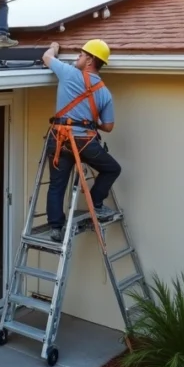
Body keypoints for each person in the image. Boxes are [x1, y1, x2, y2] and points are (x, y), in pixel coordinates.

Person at [40, 39, 122, 241]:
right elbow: (109, 127)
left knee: (57, 185)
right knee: (112, 168)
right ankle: (95, 203)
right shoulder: (104, 92)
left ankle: (56, 228)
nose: (78, 57)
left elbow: (46, 57)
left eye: (81, 55)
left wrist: (54, 47)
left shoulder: (68, 73)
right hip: (85, 143)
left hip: (59, 140)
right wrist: (90, 123)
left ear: (90, 60)